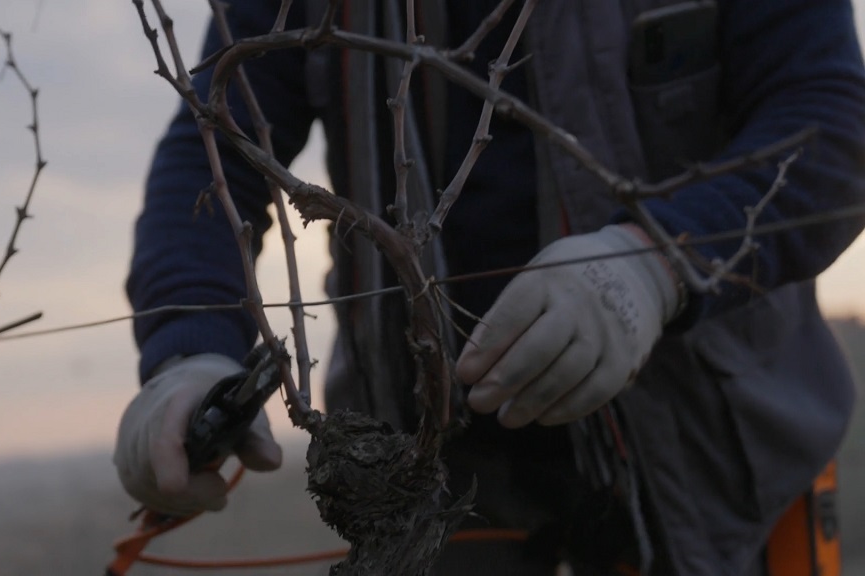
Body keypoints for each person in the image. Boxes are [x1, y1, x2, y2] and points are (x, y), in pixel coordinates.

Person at [114, 0, 865, 574]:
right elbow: (214, 148)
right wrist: (188, 349)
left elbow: (831, 125)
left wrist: (657, 261)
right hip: (433, 486)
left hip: (722, 463)